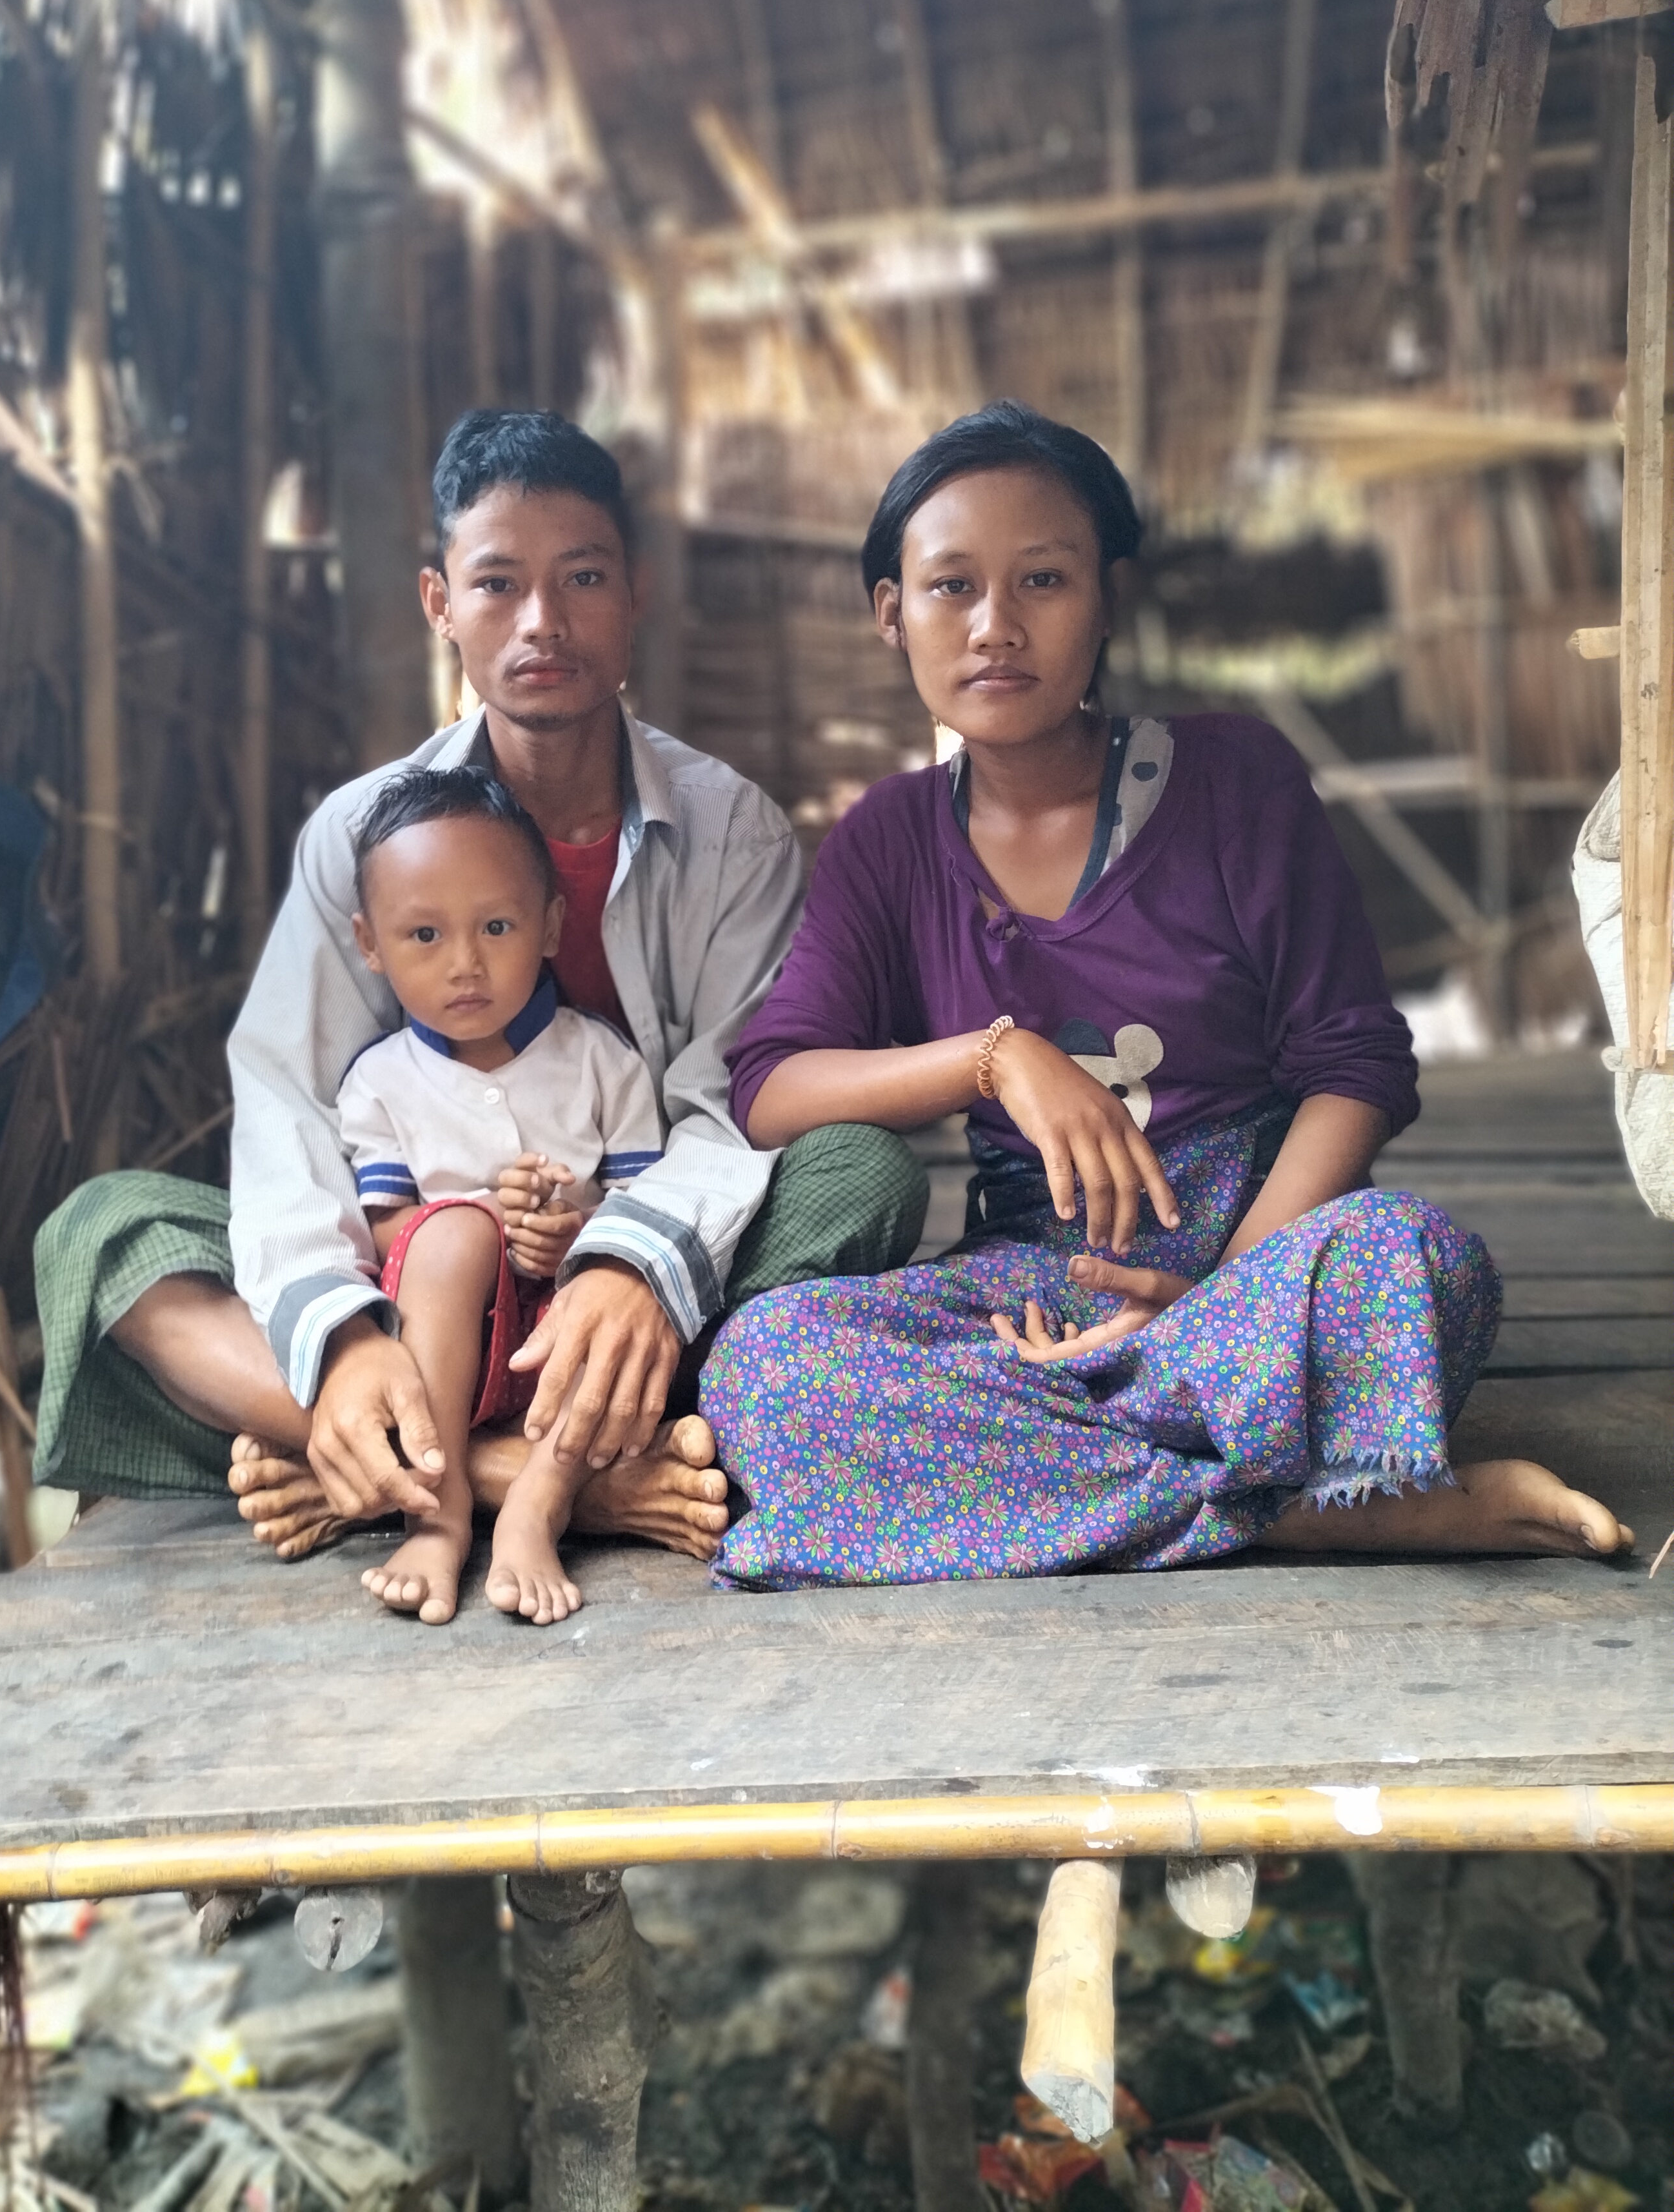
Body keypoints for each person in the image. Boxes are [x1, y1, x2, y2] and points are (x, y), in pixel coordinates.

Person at [698, 399, 1632, 1586]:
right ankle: (1311, 1510)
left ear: (1109, 602)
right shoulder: (887, 839)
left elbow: (1355, 1068)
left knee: (1415, 1260)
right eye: (951, 588)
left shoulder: (1235, 779)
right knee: (766, 1361)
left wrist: (1214, 1286)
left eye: (1042, 580)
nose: (996, 627)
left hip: (1263, 1259)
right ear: (892, 614)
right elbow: (777, 1087)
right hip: (1045, 1287)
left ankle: (1053, 1486)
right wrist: (995, 1057)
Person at [31, 408, 929, 1566]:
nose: (543, 622)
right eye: (498, 583)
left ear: (635, 592)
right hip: (413, 1285)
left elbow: (734, 1099)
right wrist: (348, 1342)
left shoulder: (732, 833)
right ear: (438, 604)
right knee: (101, 1235)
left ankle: (357, 1461)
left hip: (623, 1280)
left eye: (583, 577)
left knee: (864, 1172)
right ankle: (531, 1476)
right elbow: (288, 1101)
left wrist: (628, 1267)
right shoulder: (362, 834)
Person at [337, 764, 664, 1625]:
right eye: (424, 937)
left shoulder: (603, 1063)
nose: (466, 964)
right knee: (452, 1240)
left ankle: (534, 1505)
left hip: (564, 1353)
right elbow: (384, 1233)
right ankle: (436, 1518)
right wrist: (486, 1219)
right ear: (370, 944)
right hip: (451, 1354)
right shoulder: (380, 1083)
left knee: (615, 1287)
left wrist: (572, 1238)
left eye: (495, 925)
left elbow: (641, 1211)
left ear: (552, 924)